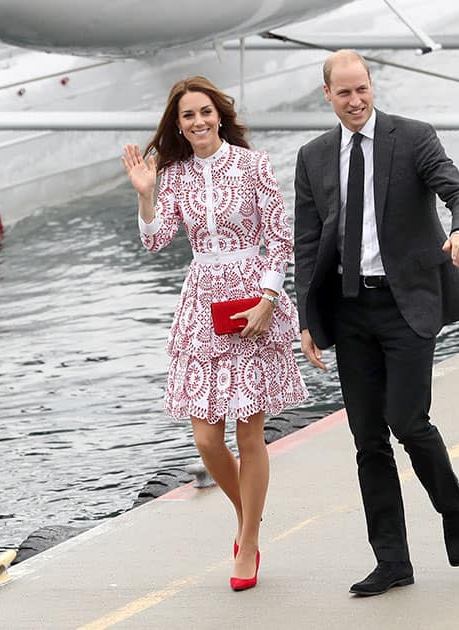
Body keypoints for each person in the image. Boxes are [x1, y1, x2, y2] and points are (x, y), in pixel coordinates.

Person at [293, 50, 459, 596]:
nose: (355, 101)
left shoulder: (414, 138)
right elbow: (309, 243)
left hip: (405, 304)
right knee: (368, 439)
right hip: (350, 310)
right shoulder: (314, 156)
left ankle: (453, 503)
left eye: (362, 90)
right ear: (327, 95)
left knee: (407, 421)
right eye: (344, 93)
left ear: (373, 88)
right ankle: (392, 560)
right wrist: (309, 316)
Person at [121, 75, 308, 592]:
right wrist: (146, 195)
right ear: (178, 124)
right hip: (202, 301)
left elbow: (279, 238)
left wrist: (269, 300)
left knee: (249, 432)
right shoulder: (176, 172)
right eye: (187, 116)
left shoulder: (253, 165)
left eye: (205, 112)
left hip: (253, 300)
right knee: (206, 437)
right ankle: (250, 517)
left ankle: (247, 541)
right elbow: (157, 241)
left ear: (219, 115)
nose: (198, 121)